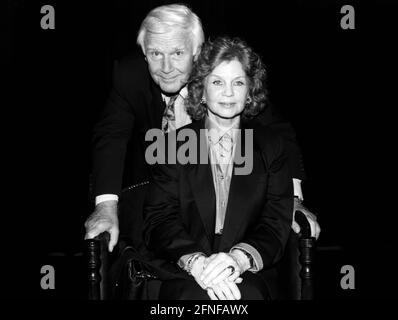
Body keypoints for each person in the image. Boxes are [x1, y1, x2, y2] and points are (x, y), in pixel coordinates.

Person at [84, 3, 320, 253]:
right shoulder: (127, 76)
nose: (166, 68)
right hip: (155, 201)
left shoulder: (221, 72)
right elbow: (111, 137)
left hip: (227, 202)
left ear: (197, 52)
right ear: (144, 54)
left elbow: (278, 131)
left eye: (177, 53)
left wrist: (292, 201)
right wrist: (105, 206)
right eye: (155, 54)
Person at [143, 36, 294, 300]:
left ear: (250, 92)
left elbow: (275, 221)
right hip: (185, 269)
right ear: (201, 91)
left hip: (249, 271)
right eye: (217, 82)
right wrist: (197, 263)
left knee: (246, 297)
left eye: (238, 83)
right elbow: (159, 218)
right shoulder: (172, 145)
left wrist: (238, 259)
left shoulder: (271, 146)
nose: (228, 93)